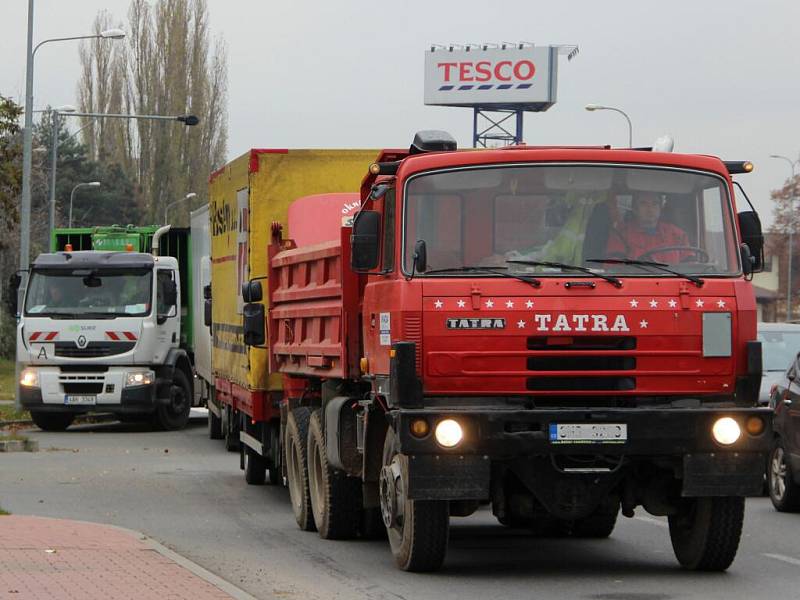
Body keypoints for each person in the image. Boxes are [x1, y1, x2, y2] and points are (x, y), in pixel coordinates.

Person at [606, 191, 691, 263]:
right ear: (635, 209)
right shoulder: (621, 234)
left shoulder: (677, 234)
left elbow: (691, 267)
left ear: (660, 209)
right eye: (643, 203)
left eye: (655, 204)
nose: (650, 209)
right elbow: (613, 267)